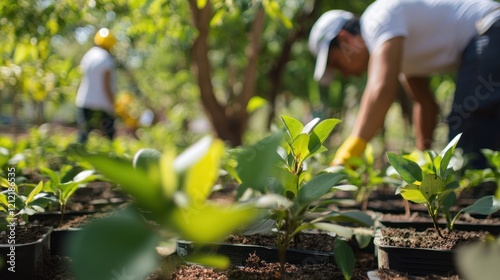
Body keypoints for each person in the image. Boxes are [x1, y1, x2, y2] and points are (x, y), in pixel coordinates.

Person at [309, 0, 500, 169]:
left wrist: (350, 152)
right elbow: (424, 103)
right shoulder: (396, 49)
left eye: (336, 63)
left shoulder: (377, 19)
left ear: (345, 39)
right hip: (487, 33)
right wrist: (422, 155)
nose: (344, 73)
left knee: (469, 121)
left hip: (489, 27)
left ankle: (481, 199)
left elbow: (381, 89)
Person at [75, 28, 117, 144]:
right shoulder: (106, 59)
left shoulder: (88, 55)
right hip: (102, 104)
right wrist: (113, 103)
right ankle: (110, 160)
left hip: (84, 100)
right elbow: (106, 85)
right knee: (109, 136)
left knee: (83, 136)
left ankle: (78, 159)